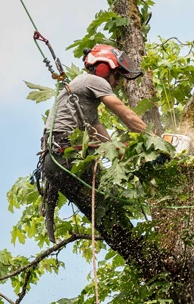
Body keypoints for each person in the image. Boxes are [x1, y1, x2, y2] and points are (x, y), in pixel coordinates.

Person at [41, 44, 147, 243]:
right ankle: (139, 250)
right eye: (117, 77)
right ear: (104, 69)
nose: (118, 84)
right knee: (108, 208)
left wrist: (122, 153)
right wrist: (154, 140)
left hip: (56, 163)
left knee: (104, 216)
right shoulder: (93, 80)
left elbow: (100, 134)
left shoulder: (85, 99)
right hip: (65, 156)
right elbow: (125, 115)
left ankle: (133, 249)